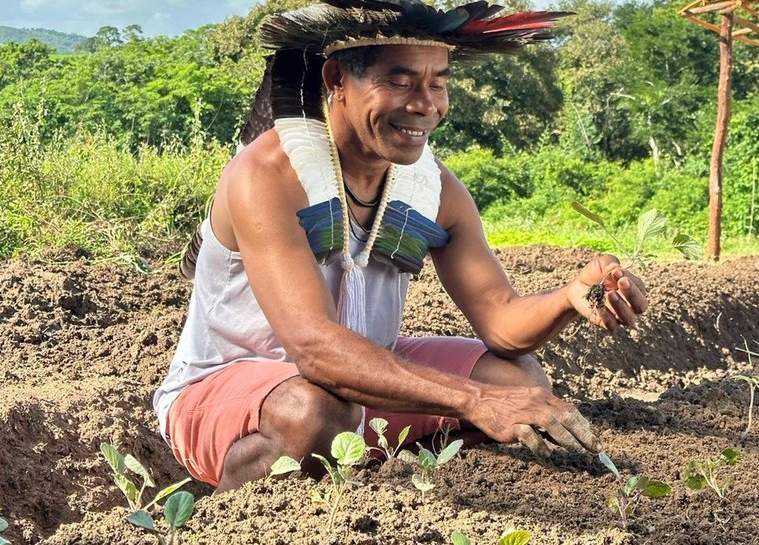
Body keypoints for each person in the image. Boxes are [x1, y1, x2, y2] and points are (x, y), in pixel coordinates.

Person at [153, 0, 649, 493]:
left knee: (517, 381)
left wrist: (568, 299)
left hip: (357, 383)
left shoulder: (437, 191)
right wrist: (476, 401)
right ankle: (222, 510)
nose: (425, 104)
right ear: (336, 80)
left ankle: (386, 487)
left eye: (438, 83)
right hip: (233, 392)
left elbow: (501, 320)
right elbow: (315, 349)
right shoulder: (268, 176)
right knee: (316, 411)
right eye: (400, 81)